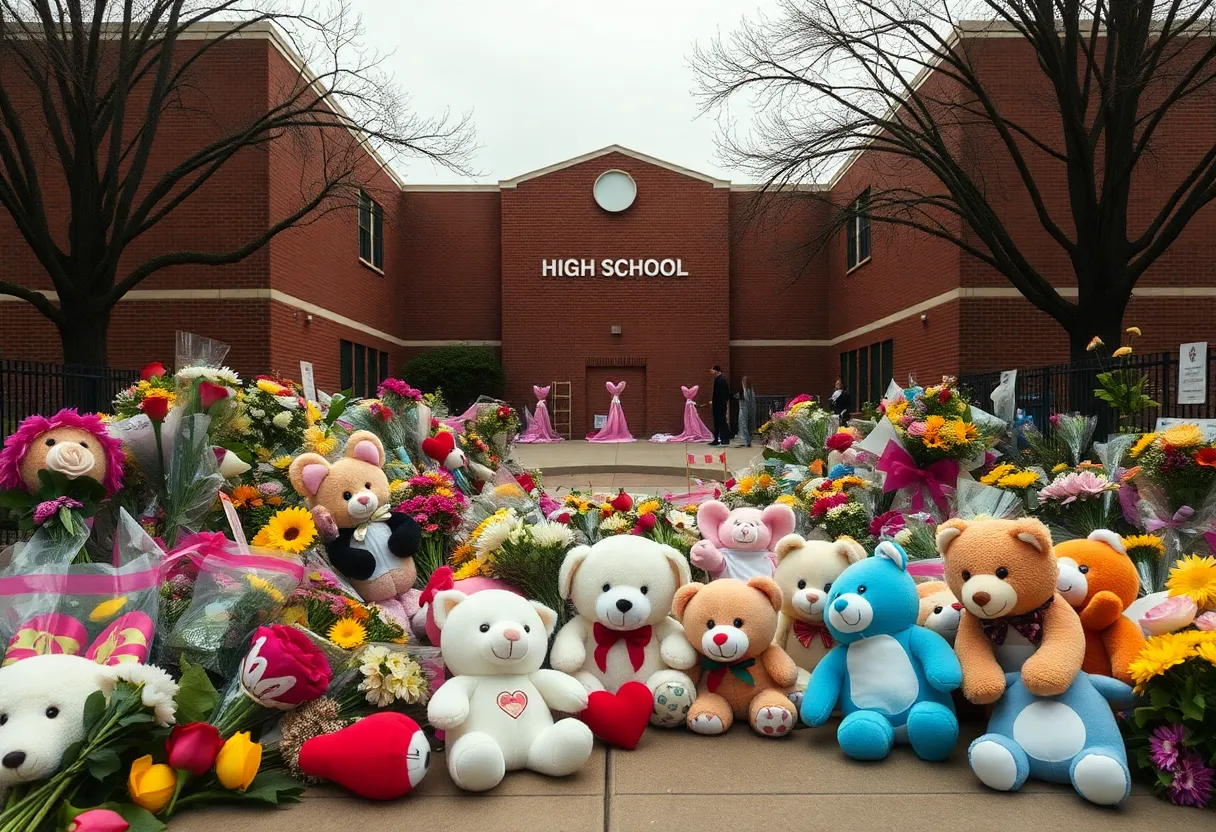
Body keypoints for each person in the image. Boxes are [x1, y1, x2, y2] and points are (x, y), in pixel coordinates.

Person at [709, 365, 731, 446]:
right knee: (718, 422)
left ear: (717, 371)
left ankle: (724, 438)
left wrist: (717, 401)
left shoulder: (720, 380)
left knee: (721, 422)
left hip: (719, 405)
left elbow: (721, 394)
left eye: (713, 370)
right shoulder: (720, 380)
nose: (712, 371)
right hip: (719, 404)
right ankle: (717, 439)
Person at [736, 376, 757, 447]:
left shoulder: (745, 391)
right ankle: (748, 440)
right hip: (750, 410)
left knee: (744, 425)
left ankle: (747, 441)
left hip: (744, 409)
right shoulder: (751, 390)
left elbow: (745, 399)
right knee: (749, 426)